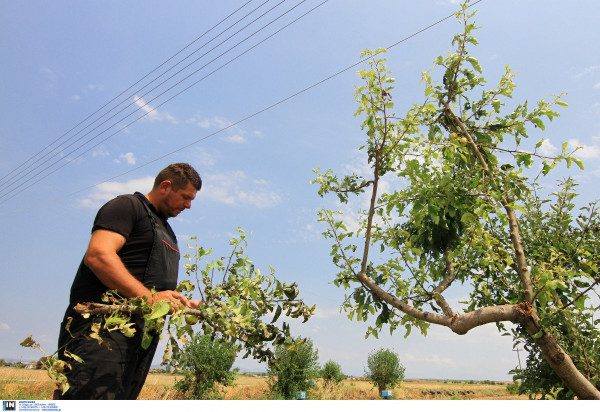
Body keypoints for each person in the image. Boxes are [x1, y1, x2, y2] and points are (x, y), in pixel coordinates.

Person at [54, 163, 202, 399]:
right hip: (101, 334)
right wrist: (150, 298)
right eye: (185, 197)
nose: (188, 205)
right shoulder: (127, 206)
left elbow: (154, 289)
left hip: (136, 341)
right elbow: (99, 255)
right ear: (166, 186)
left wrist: (180, 304)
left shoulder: (167, 230)